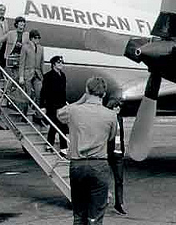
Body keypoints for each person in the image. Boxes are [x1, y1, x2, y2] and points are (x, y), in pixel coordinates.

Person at [58, 77, 118, 225]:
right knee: (95, 216)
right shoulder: (111, 115)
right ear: (103, 94)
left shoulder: (74, 111)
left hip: (77, 165)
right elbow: (111, 137)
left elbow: (60, 114)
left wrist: (80, 100)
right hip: (99, 165)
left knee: (79, 214)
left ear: (86, 91)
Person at [0, 16, 29, 100]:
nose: (22, 26)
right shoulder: (11, 33)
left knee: (16, 77)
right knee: (11, 76)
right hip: (9, 58)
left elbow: (29, 46)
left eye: (23, 25)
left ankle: (8, 92)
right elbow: (0, 40)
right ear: (16, 24)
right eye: (20, 24)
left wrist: (22, 45)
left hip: (19, 58)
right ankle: (6, 92)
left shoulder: (26, 35)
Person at [40, 55, 69, 155]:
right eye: (58, 62)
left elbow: (63, 91)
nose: (61, 64)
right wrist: (42, 105)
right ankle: (63, 148)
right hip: (51, 105)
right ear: (53, 64)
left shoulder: (63, 76)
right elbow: (43, 91)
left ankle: (49, 144)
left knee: (56, 126)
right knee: (59, 125)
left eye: (62, 62)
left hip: (61, 105)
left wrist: (65, 103)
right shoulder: (48, 76)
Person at [19, 29, 44, 107]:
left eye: (38, 38)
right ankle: (25, 114)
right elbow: (22, 63)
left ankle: (38, 116)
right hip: (27, 74)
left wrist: (43, 76)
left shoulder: (41, 48)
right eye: (36, 38)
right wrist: (21, 77)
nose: (37, 39)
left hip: (38, 74)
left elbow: (42, 63)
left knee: (39, 94)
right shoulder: (25, 47)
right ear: (31, 38)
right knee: (27, 95)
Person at [109, 110, 127, 215]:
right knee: (103, 179)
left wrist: (123, 150)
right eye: (115, 107)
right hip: (109, 152)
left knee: (119, 180)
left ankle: (119, 204)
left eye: (119, 107)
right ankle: (103, 200)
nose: (118, 109)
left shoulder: (120, 119)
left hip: (119, 153)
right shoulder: (106, 119)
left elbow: (122, 136)